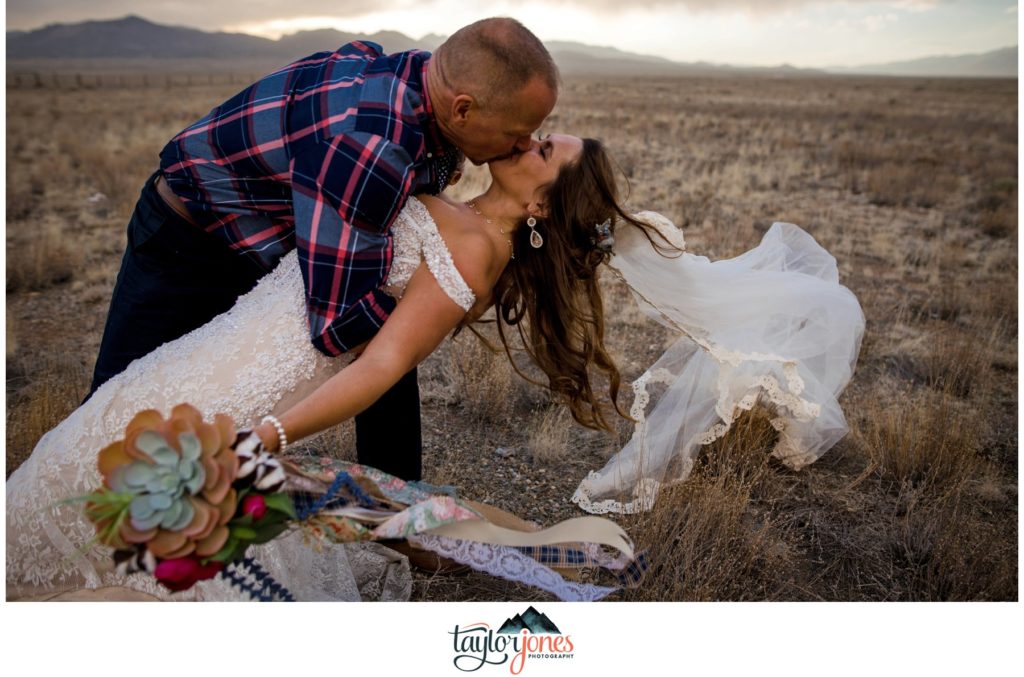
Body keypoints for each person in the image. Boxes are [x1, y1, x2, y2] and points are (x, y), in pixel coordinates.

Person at [6, 135, 864, 600]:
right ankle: (548, 552)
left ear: (537, 205)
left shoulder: (471, 249)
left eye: (542, 153)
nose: (529, 140)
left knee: (136, 543)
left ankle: (557, 563)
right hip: (213, 357)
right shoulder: (462, 214)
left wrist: (264, 431)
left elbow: (382, 363)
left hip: (248, 391)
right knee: (338, 494)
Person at [86, 17, 559, 484]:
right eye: (518, 131)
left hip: (265, 236)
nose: (523, 144)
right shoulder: (371, 150)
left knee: (391, 343)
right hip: (186, 242)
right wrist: (434, 306)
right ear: (462, 110)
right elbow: (339, 325)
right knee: (111, 414)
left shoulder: (410, 76)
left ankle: (398, 512)